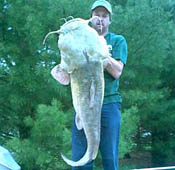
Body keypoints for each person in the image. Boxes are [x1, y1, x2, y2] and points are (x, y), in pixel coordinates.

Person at [51, 0, 128, 169]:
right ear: (90, 18)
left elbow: (117, 72)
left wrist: (101, 53)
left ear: (110, 20)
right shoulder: (77, 39)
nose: (100, 19)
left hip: (109, 104)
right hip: (84, 104)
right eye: (96, 15)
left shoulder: (117, 40)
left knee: (109, 158)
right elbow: (67, 76)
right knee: (81, 160)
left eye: (104, 16)